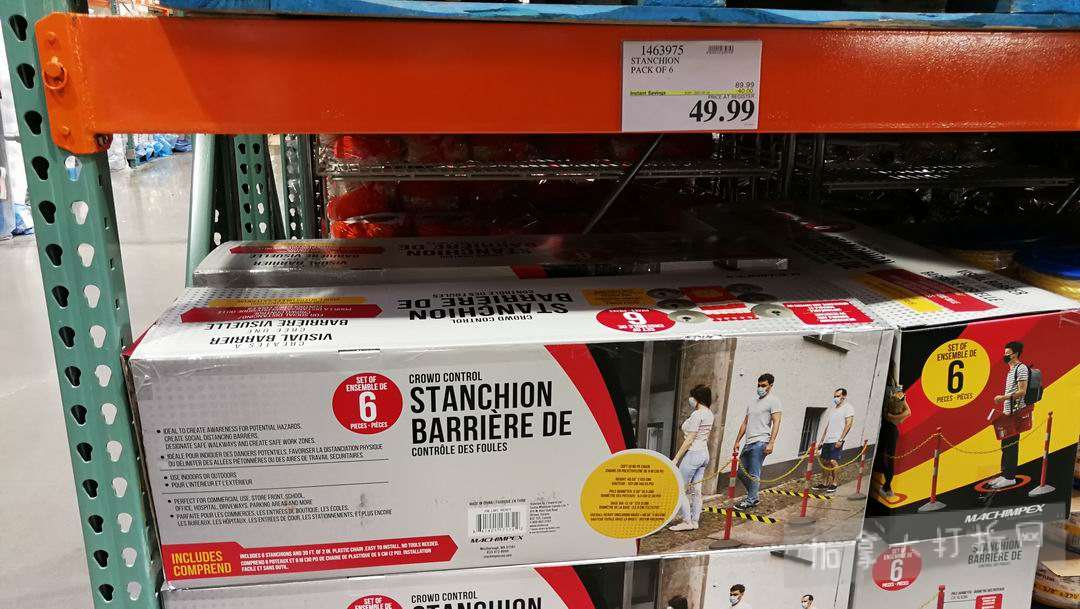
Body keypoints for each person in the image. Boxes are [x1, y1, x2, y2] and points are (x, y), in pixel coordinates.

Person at [670, 385, 716, 531]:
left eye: (692, 396)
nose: (690, 399)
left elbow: (690, 439)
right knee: (697, 490)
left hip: (693, 454)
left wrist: (676, 458)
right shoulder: (709, 413)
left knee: (680, 488)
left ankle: (687, 522)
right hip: (704, 454)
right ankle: (695, 521)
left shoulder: (697, 414)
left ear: (697, 398)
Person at [734, 374, 782, 510]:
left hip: (761, 442)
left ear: (770, 386)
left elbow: (777, 421)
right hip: (748, 442)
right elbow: (745, 422)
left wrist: (771, 443)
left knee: (754, 473)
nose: (760, 388)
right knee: (741, 472)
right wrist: (737, 441)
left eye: (763, 385)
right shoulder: (752, 402)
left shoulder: (774, 401)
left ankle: (751, 499)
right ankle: (753, 496)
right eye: (759, 385)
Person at [990, 341, 1029, 489]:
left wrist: (1003, 398)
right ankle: (1004, 474)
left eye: (1008, 354)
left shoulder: (1021, 368)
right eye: (1005, 353)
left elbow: (1022, 391)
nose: (1005, 356)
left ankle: (1010, 477)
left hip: (1016, 413)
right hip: (1008, 412)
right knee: (1005, 445)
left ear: (1016, 354)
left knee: (1011, 445)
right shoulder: (1011, 370)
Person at [814, 388, 855, 494]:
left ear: (844, 396)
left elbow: (849, 424)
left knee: (833, 461)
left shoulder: (848, 408)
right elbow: (828, 426)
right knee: (825, 462)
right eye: (834, 396)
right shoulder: (833, 409)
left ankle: (834, 483)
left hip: (837, 439)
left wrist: (841, 439)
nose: (835, 398)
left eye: (838, 396)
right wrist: (822, 441)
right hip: (828, 440)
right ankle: (824, 483)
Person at [874, 383, 909, 500]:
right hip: (884, 429)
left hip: (890, 429)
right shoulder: (885, 388)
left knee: (889, 459)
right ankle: (887, 486)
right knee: (881, 457)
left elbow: (908, 412)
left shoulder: (897, 392)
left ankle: (887, 486)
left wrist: (892, 417)